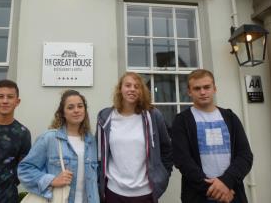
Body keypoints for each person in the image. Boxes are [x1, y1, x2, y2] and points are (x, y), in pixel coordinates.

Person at [171, 69, 253, 203]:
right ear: (189, 92)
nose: (202, 92)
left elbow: (245, 156)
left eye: (207, 87)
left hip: (232, 193)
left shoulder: (230, 118)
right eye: (197, 88)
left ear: (214, 88)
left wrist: (226, 183)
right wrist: (215, 190)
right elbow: (182, 160)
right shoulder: (182, 121)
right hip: (199, 196)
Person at [97, 72, 173, 203]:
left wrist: (162, 176)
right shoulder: (105, 117)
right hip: (113, 193)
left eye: (136, 86)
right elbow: (99, 153)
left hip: (145, 194)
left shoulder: (153, 115)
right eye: (128, 85)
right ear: (120, 89)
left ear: (141, 91)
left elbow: (167, 150)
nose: (132, 89)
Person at [18, 89, 99, 203]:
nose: (76, 110)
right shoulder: (50, 138)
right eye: (70, 107)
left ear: (85, 110)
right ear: (63, 113)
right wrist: (52, 180)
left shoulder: (91, 141)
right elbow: (25, 170)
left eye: (80, 106)